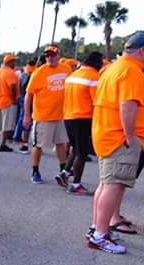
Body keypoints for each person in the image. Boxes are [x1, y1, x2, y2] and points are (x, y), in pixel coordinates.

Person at [88, 32, 144, 254]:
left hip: (107, 133)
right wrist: (130, 137)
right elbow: (128, 106)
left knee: (106, 184)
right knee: (113, 186)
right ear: (142, 51)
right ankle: (99, 235)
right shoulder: (132, 71)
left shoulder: (113, 68)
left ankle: (98, 228)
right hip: (119, 138)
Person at [23, 45, 72, 184]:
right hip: (43, 116)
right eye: (47, 55)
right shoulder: (39, 73)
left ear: (59, 56)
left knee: (61, 143)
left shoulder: (66, 69)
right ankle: (35, 171)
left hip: (61, 115)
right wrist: (27, 115)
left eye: (52, 55)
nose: (50, 57)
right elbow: (29, 94)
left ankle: (63, 171)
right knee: (38, 145)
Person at [57, 52, 104, 195]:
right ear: (96, 63)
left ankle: (65, 173)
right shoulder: (93, 77)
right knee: (82, 153)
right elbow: (97, 101)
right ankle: (76, 184)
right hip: (83, 118)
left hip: (68, 116)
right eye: (101, 62)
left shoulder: (73, 75)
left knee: (76, 148)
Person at [0, 54, 20, 152]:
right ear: (9, 62)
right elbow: (12, 86)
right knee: (6, 124)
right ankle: (3, 144)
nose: (14, 63)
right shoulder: (10, 72)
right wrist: (14, 99)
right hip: (7, 101)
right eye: (13, 61)